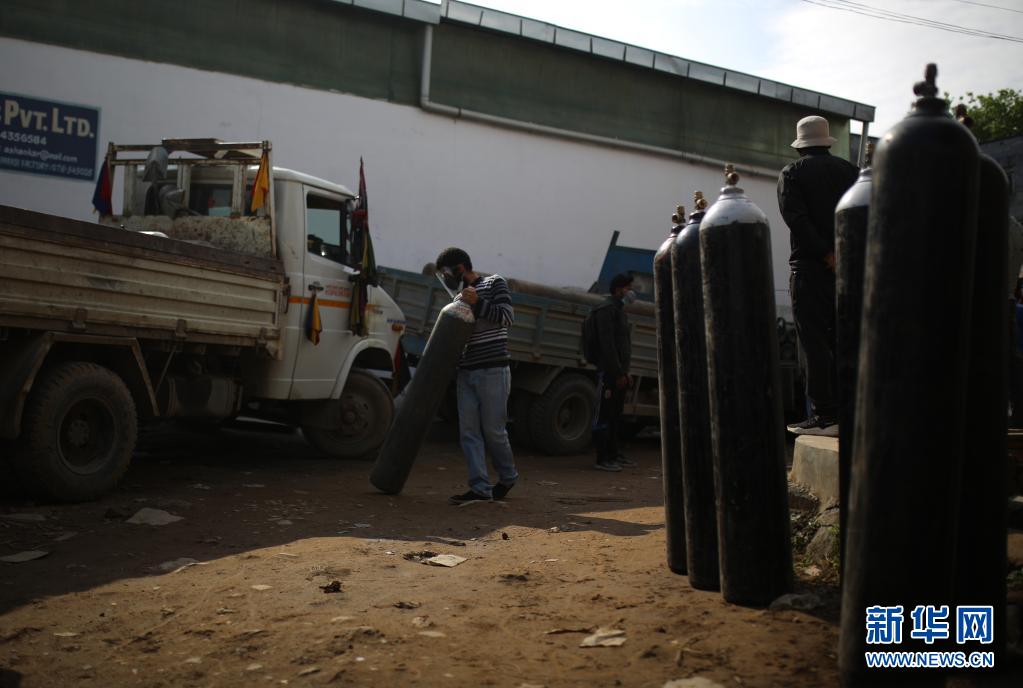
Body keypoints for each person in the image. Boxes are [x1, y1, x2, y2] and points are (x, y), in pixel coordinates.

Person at [777, 115, 858, 437]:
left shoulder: (792, 173)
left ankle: (825, 414)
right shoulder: (851, 172)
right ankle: (850, 409)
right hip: (848, 271)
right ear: (827, 142)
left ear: (800, 146)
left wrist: (825, 253)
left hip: (810, 269)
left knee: (813, 343)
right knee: (845, 340)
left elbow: (796, 219)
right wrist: (843, 256)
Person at [434, 247, 519, 505]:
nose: (446, 279)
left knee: (494, 431)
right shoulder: (457, 298)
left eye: (447, 273)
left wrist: (478, 303)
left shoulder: (495, 282)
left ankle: (508, 477)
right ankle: (480, 487)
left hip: (493, 370)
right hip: (466, 373)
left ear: (460, 268)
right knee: (469, 433)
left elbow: (507, 317)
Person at [590, 273, 637, 471]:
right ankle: (602, 459)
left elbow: (622, 346)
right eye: (628, 288)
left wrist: (625, 372)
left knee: (615, 415)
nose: (631, 292)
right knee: (603, 415)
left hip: (618, 374)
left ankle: (613, 454)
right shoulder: (606, 310)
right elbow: (608, 346)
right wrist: (618, 373)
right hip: (608, 373)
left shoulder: (619, 310)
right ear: (619, 289)